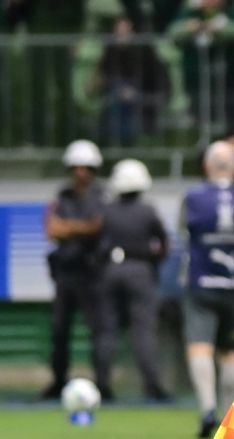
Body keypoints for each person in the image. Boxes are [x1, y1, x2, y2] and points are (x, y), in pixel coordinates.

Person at [182, 140, 234, 439]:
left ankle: (207, 408)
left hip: (202, 283)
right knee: (232, 351)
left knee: (199, 344)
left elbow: (184, 233)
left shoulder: (193, 198)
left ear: (206, 166)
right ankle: (229, 415)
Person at [43, 140, 114, 401]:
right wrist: (82, 227)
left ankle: (103, 384)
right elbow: (52, 229)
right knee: (59, 330)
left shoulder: (102, 195)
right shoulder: (62, 196)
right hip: (66, 274)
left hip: (93, 273)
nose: (81, 172)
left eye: (86, 167)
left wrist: (68, 228)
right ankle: (58, 381)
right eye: (76, 167)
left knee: (99, 331)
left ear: (94, 170)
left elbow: (99, 226)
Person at [101, 159, 170, 401]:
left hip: (110, 270)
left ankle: (102, 386)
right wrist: (152, 262)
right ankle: (152, 387)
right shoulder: (147, 211)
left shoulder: (107, 210)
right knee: (143, 330)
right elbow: (163, 242)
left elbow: (96, 242)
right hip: (140, 271)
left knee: (107, 330)